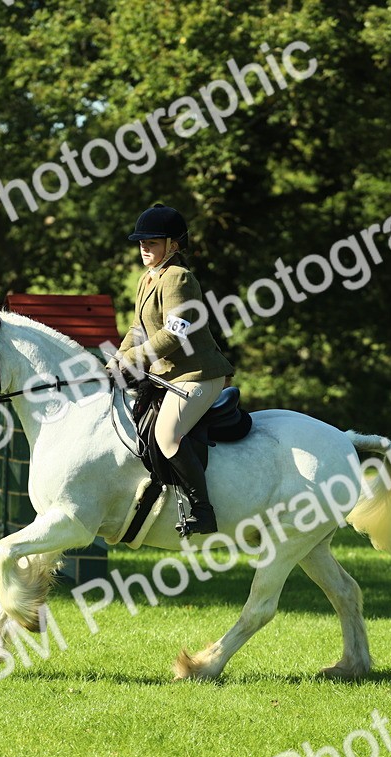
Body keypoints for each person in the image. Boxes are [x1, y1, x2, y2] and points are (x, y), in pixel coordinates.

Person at [105, 203, 235, 535]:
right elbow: (137, 328)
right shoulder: (147, 279)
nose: (144, 247)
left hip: (198, 375)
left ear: (173, 246)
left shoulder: (178, 277)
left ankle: (204, 512)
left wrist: (132, 360)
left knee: (167, 435)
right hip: (168, 376)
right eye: (141, 242)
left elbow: (174, 333)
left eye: (152, 242)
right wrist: (117, 358)